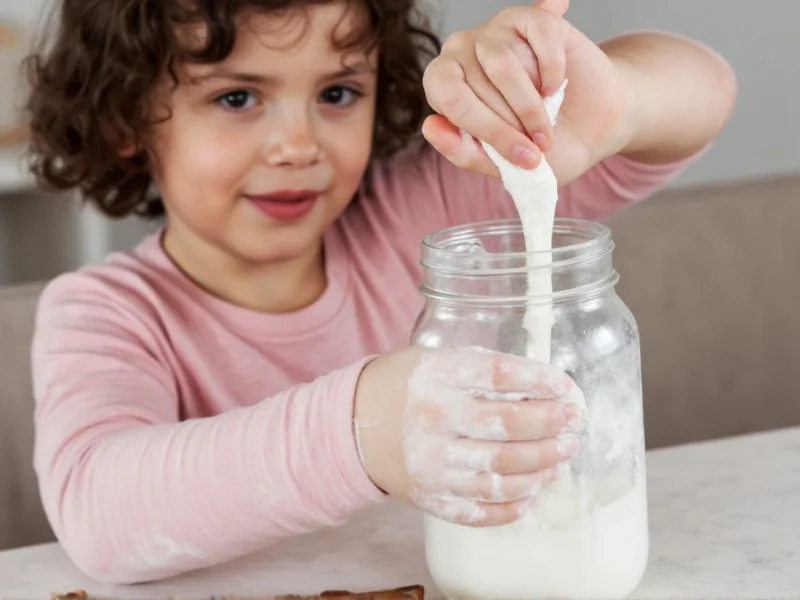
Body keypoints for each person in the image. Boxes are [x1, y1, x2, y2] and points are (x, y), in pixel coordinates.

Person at [24, 0, 735, 585]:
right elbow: (99, 512)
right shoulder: (106, 313)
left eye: (338, 93)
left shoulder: (422, 213)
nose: (299, 144)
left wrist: (622, 102)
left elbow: (701, 92)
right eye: (237, 97)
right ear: (125, 119)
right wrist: (361, 431)